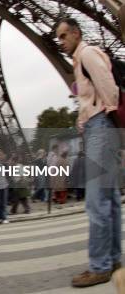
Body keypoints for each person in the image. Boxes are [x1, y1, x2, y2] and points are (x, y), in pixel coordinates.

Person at [56, 17, 122, 287]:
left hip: (101, 126)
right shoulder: (81, 57)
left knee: (96, 200)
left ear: (75, 33)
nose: (60, 42)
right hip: (101, 127)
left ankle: (99, 265)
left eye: (62, 36)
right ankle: (114, 258)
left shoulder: (87, 53)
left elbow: (109, 88)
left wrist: (106, 117)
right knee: (110, 200)